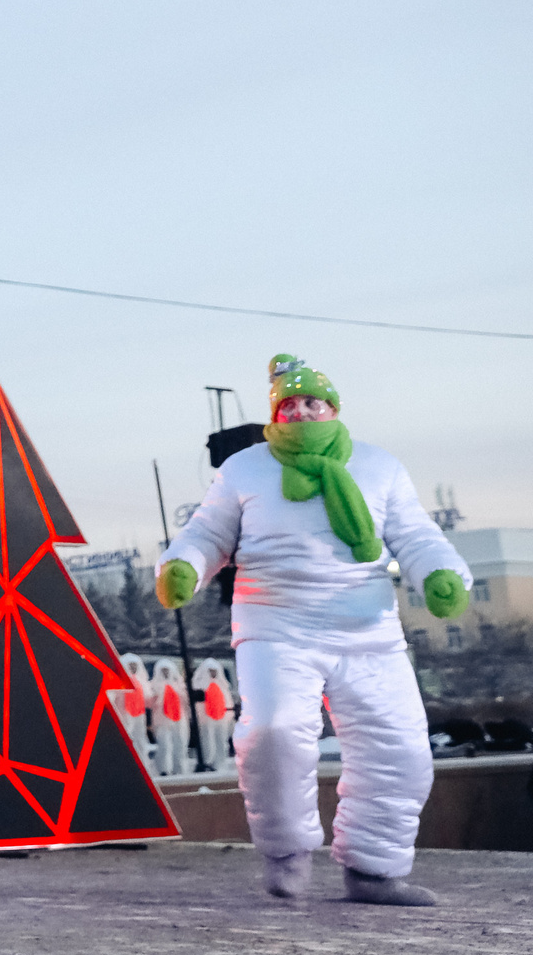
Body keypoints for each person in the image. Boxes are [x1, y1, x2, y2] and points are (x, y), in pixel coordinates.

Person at [156, 355, 472, 906]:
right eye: (289, 404)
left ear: (332, 408)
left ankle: (376, 870)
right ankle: (286, 855)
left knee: (400, 749)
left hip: (368, 630)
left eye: (312, 401)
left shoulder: (379, 466)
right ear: (276, 412)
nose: (302, 410)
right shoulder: (245, 469)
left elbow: (417, 536)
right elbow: (208, 533)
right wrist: (183, 566)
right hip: (275, 626)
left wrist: (442, 574)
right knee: (273, 733)